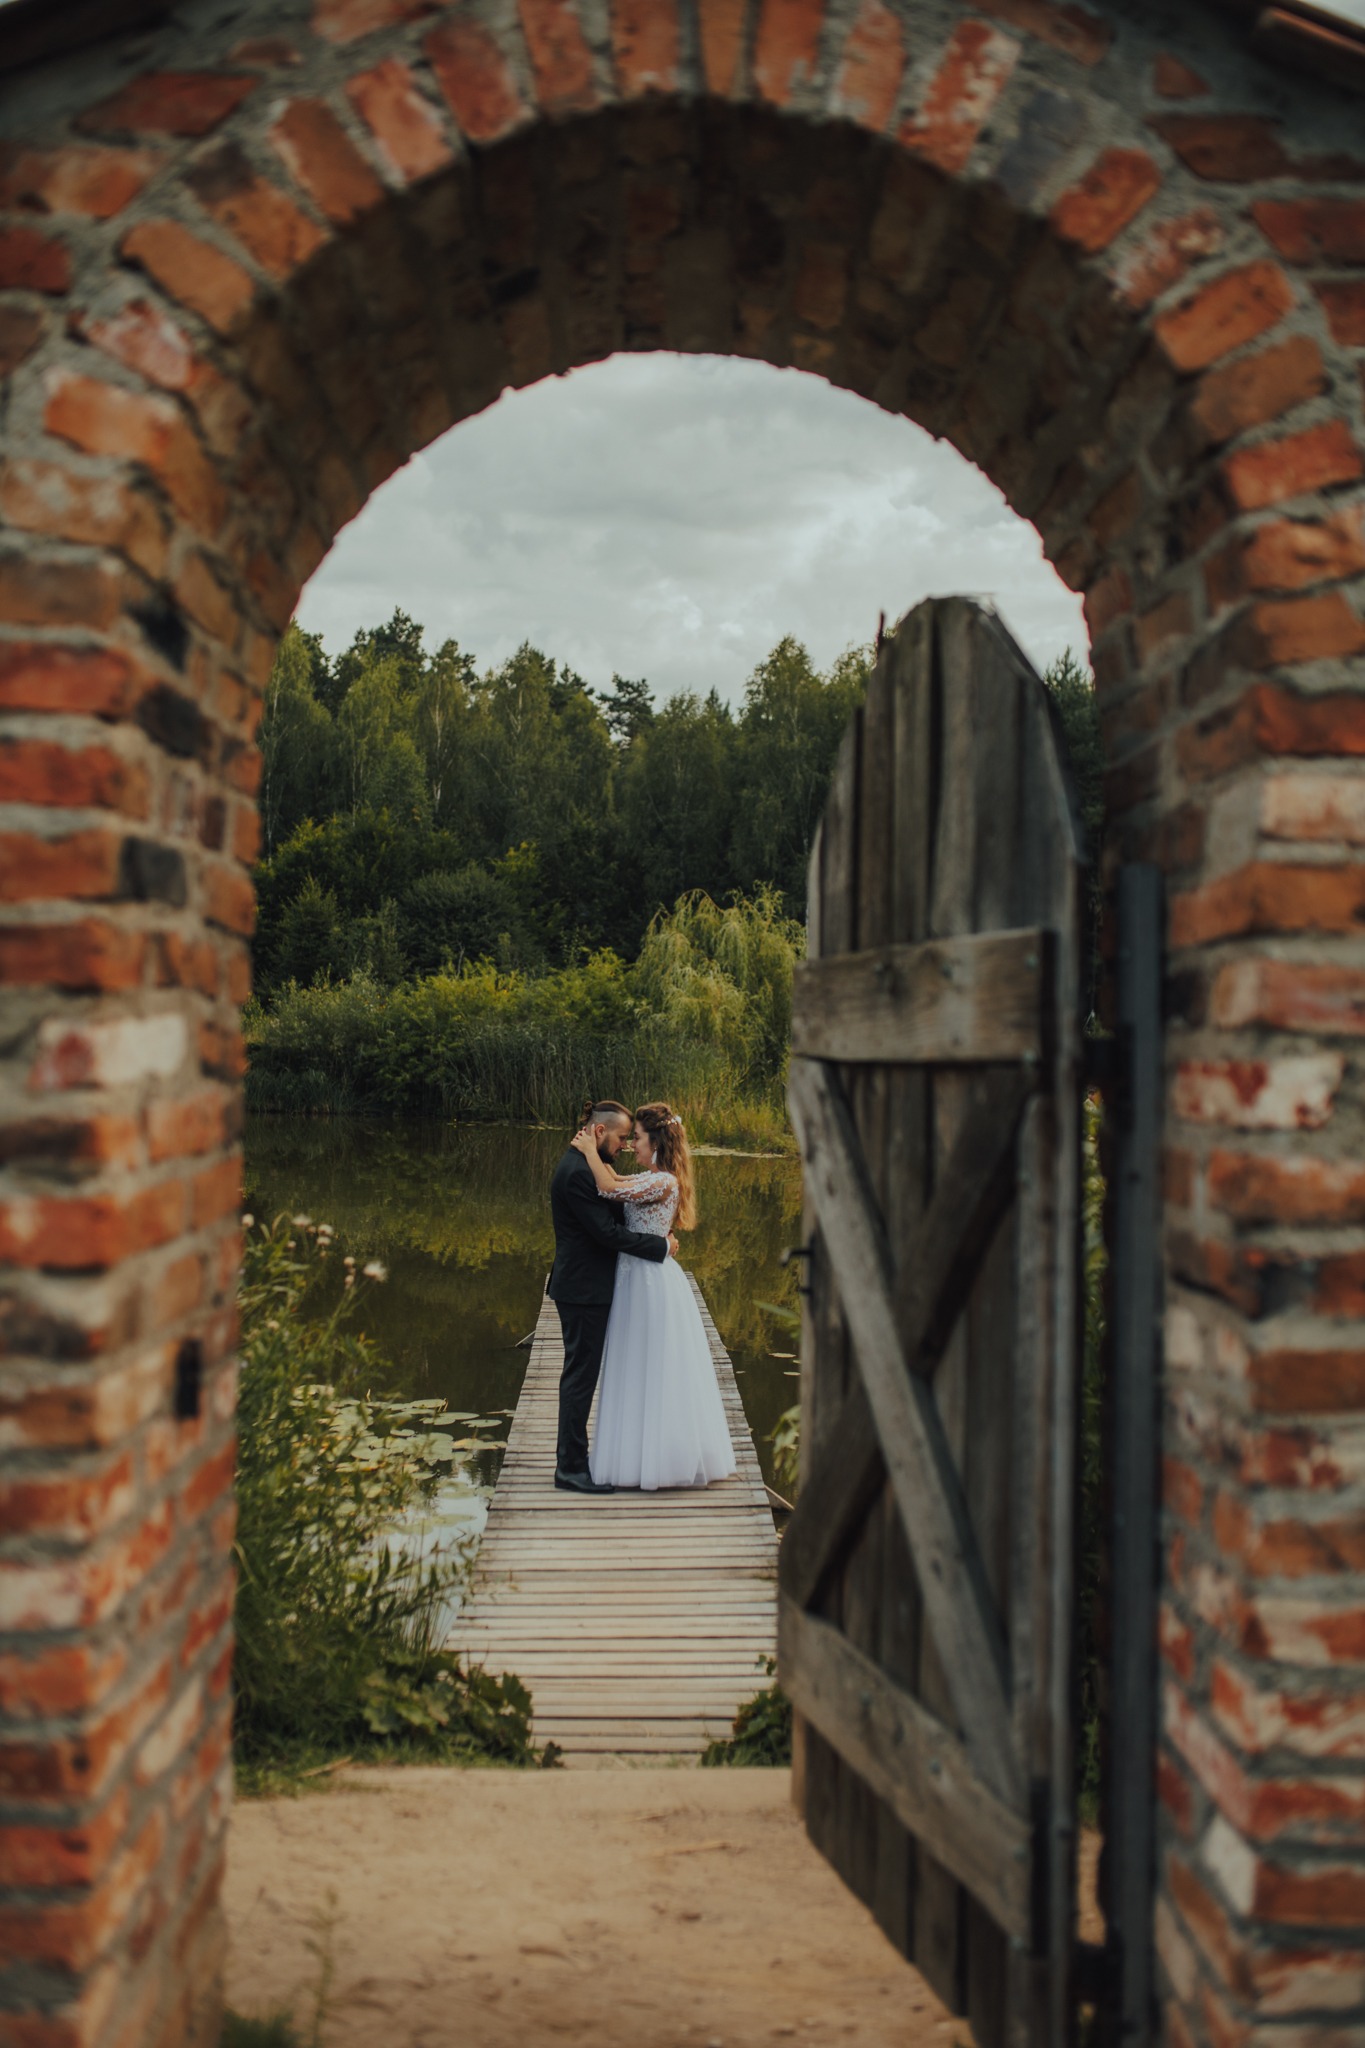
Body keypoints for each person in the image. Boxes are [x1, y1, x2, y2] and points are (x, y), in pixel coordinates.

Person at [569, 1101, 736, 1491]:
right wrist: (600, 1156)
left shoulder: (664, 1182)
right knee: (635, 1363)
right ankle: (636, 1452)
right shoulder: (652, 1179)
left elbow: (609, 1188)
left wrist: (589, 1151)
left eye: (638, 1139)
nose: (632, 1146)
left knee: (653, 1364)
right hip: (634, 1278)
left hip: (648, 1282)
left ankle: (661, 1459)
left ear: (657, 1142)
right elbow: (618, 1180)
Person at [547, 1098, 675, 1495]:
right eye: (621, 1137)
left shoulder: (589, 1165)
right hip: (583, 1289)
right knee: (580, 1378)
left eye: (629, 1139)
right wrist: (661, 1247)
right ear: (599, 1132)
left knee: (581, 1376)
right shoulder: (576, 1174)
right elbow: (607, 1234)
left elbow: (615, 1196)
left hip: (590, 1286)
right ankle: (570, 1468)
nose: (623, 1145)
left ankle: (577, 1461)